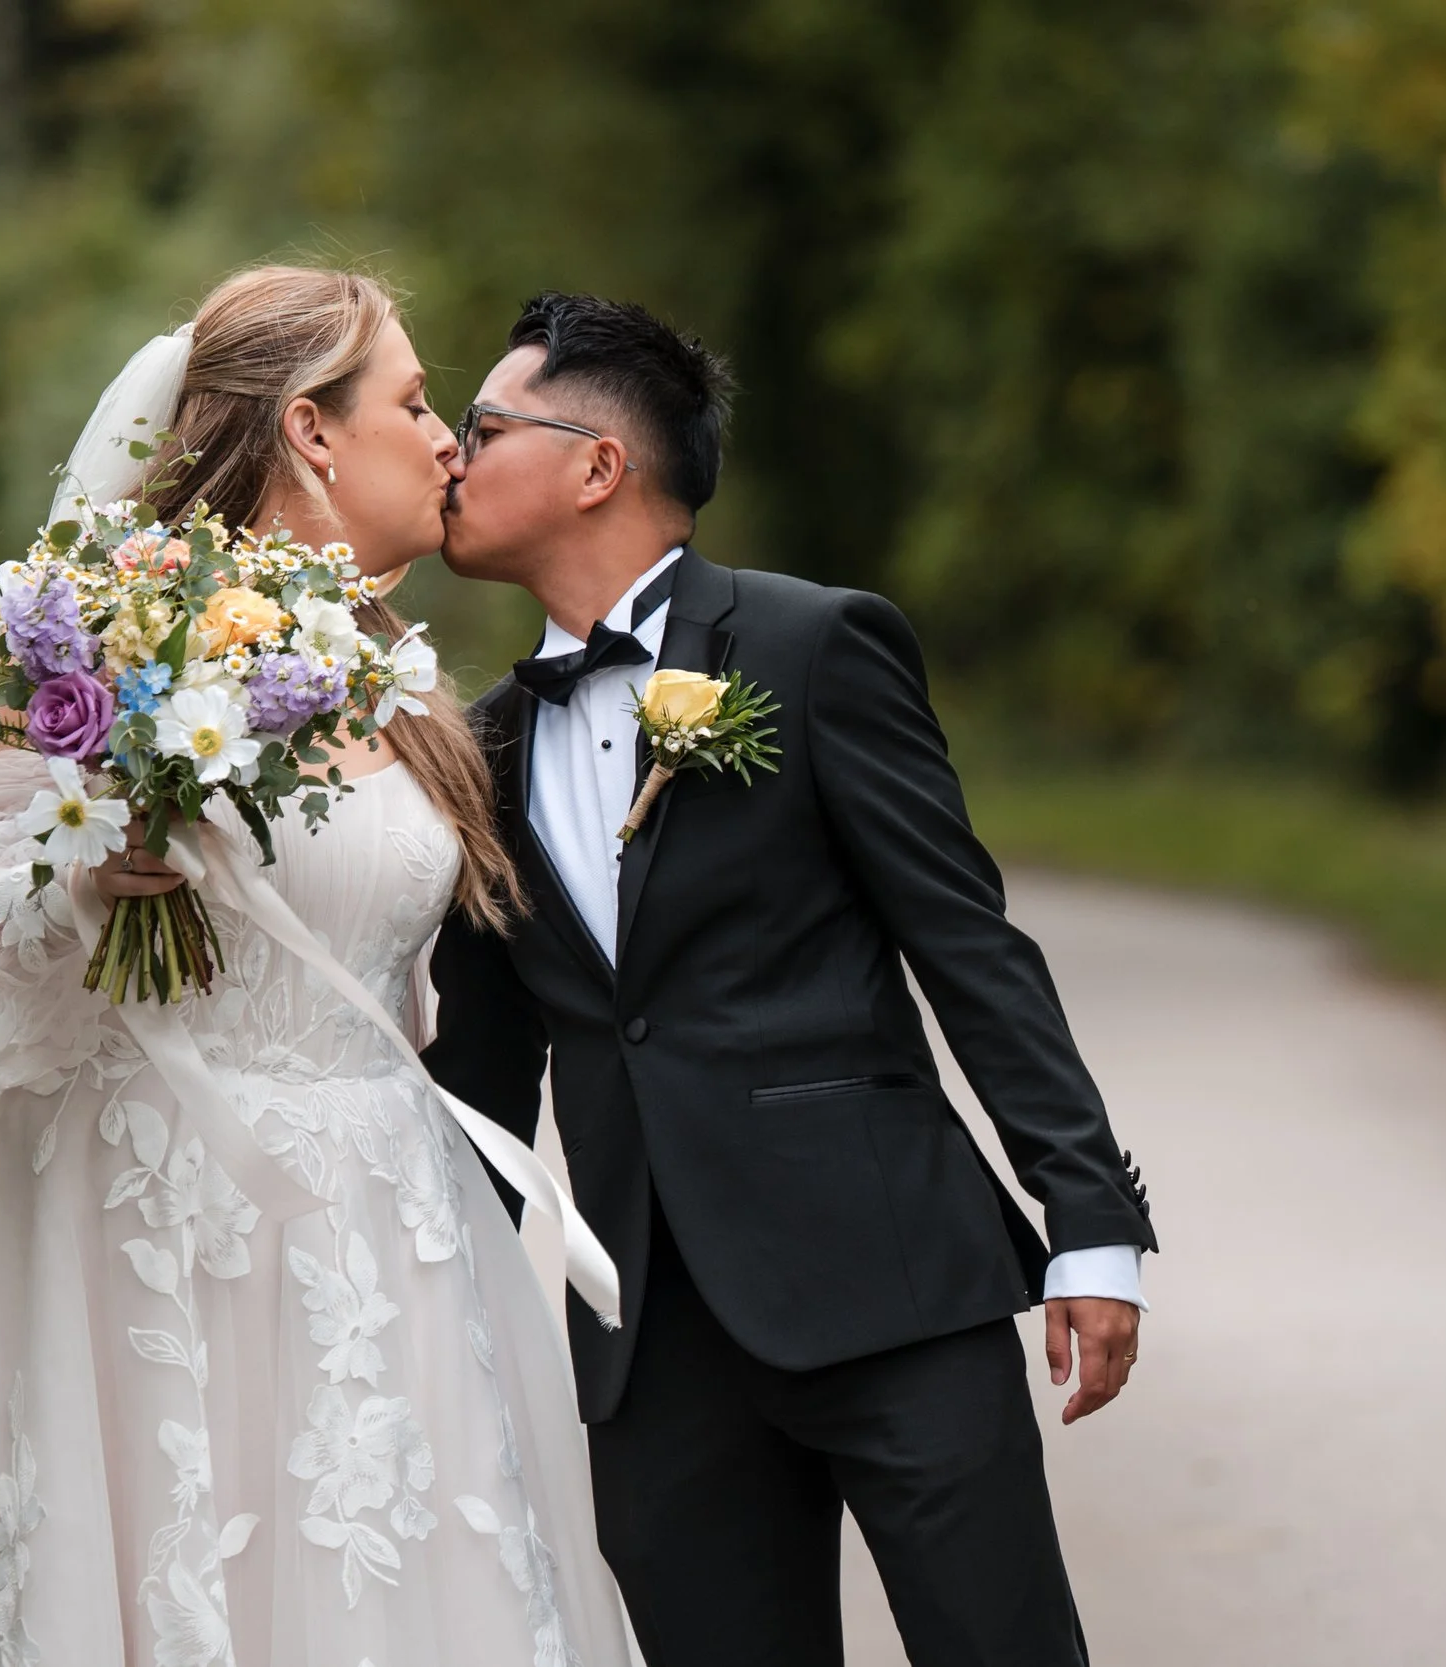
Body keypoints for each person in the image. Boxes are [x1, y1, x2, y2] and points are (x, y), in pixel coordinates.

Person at [0, 267, 631, 1667]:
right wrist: (78, 883)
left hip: (374, 1242)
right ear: (310, 431)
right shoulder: (73, 633)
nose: (450, 437)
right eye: (412, 400)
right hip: (123, 1229)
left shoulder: (395, 683)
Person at [422, 290, 1158, 1667]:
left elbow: (969, 943)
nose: (450, 458)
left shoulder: (814, 647)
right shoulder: (477, 753)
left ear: (597, 464)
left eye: (482, 425)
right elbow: (480, 1074)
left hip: (890, 1283)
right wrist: (428, 1298)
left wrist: (1089, 1217)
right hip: (652, 1344)